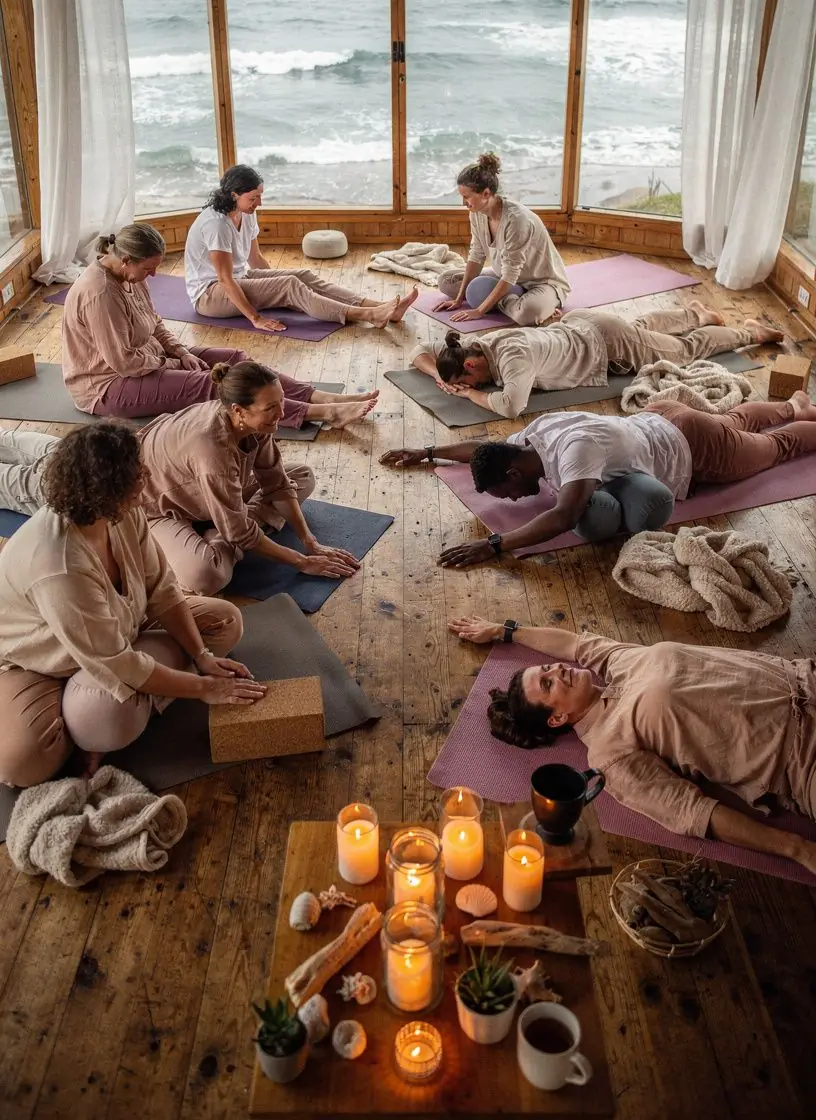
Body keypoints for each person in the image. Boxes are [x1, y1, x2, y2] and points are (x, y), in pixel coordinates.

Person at [0, 424, 265, 790]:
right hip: (37, 662)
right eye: (137, 472)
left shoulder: (121, 513)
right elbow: (119, 664)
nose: (147, 476)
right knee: (23, 765)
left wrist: (202, 657)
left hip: (116, 640)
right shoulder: (58, 565)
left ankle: (93, 713)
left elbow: (164, 589)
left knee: (225, 621)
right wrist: (204, 689)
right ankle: (87, 721)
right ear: (106, 490)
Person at [447, 616, 816, 875]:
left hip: (803, 676)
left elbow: (573, 644)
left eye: (546, 670)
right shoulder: (609, 750)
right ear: (556, 719)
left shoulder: (618, 662)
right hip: (802, 758)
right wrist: (797, 849)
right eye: (547, 685)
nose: (555, 670)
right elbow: (693, 812)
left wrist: (505, 630)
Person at [380, 390, 816, 565]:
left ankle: (800, 422)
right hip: (664, 416)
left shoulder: (574, 455)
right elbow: (482, 448)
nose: (511, 501)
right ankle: (793, 407)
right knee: (733, 419)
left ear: (514, 472)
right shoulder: (534, 435)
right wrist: (427, 453)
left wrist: (492, 545)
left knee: (777, 449)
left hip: (697, 448)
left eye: (507, 493)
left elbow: (566, 515)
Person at [62, 222, 381, 428]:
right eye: (149, 269)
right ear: (127, 260)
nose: (154, 276)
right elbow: (124, 363)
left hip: (151, 360)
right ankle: (323, 414)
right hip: (107, 386)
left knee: (235, 360)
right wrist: (175, 362)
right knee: (211, 384)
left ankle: (318, 396)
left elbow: (155, 321)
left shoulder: (131, 274)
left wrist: (179, 350)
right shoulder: (101, 294)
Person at [136, 360, 361, 596]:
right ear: (238, 410)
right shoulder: (212, 447)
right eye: (271, 407)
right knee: (206, 577)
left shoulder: (253, 423)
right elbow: (242, 525)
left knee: (302, 476)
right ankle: (224, 532)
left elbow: (277, 483)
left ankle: (230, 524)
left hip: (205, 492)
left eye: (282, 401)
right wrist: (301, 562)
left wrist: (309, 541)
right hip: (155, 510)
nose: (282, 413)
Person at [410, 302, 778, 419]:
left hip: (607, 343)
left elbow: (511, 406)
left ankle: (752, 334)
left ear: (472, 366)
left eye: (469, 381)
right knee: (642, 331)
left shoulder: (512, 358)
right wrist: (441, 379)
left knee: (683, 351)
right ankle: (694, 313)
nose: (472, 387)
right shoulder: (473, 344)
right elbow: (416, 353)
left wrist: (467, 397)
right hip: (584, 324)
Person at [184, 165, 418, 331]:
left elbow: (255, 258)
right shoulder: (215, 224)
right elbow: (224, 279)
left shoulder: (246, 213)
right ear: (234, 195)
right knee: (290, 286)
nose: (259, 203)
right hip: (210, 295)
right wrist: (256, 318)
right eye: (253, 197)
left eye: (260, 196)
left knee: (301, 275)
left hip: (239, 278)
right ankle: (370, 316)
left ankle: (384, 307)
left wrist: (271, 284)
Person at [434, 153, 569, 325]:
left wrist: (479, 310)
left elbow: (511, 272)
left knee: (527, 313)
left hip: (541, 282)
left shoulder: (517, 220)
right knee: (446, 281)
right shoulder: (477, 213)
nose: (463, 203)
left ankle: (535, 301)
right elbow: (477, 255)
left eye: (467, 197)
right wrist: (459, 300)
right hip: (504, 275)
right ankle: (513, 296)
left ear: (486, 193)